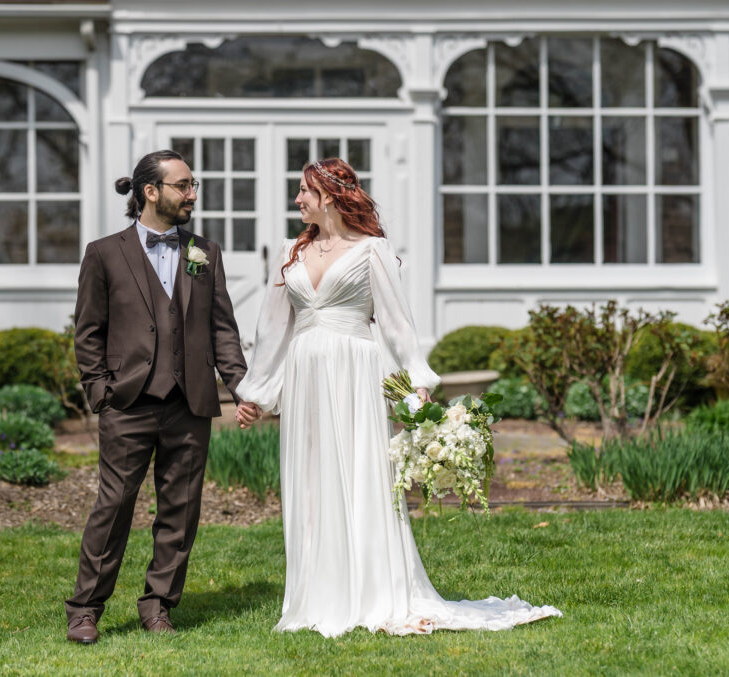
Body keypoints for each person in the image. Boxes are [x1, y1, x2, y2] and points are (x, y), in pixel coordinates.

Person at [234, 158, 560, 637]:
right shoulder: (291, 252)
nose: (297, 200)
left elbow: (395, 323)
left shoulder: (373, 252)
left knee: (363, 476)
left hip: (355, 373)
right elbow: (271, 330)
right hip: (306, 377)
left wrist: (416, 379)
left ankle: (373, 590)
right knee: (311, 479)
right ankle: (317, 592)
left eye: (304, 191)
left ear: (328, 195)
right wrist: (258, 393)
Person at [65, 149, 260, 644]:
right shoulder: (105, 253)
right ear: (149, 192)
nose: (192, 194)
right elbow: (88, 332)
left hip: (189, 402)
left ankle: (158, 604)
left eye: (193, 185)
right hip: (127, 403)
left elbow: (222, 331)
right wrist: (100, 392)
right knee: (114, 506)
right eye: (183, 185)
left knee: (181, 507)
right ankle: (86, 607)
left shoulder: (204, 252)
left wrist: (240, 387)